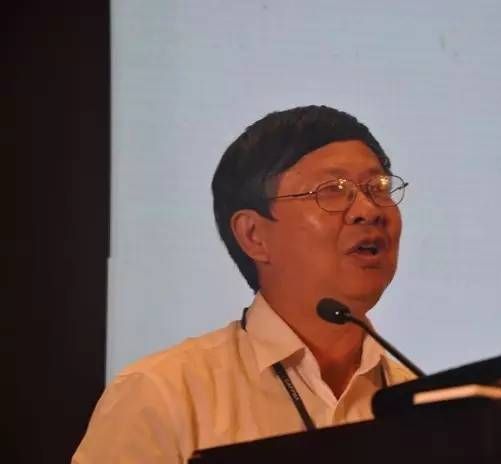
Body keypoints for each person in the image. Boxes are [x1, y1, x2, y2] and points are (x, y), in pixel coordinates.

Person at [72, 105, 415, 463]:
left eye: (378, 187)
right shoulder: (163, 395)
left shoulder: (425, 408)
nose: (369, 210)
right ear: (253, 235)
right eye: (332, 190)